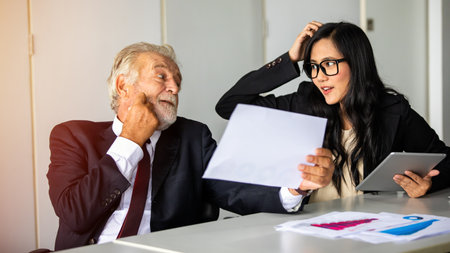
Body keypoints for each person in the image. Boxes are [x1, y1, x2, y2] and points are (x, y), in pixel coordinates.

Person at [47, 42, 335, 251]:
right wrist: (130, 141)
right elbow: (75, 214)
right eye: (162, 76)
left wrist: (295, 188)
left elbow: (234, 191)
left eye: (177, 81)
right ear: (124, 86)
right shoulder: (72, 136)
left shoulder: (192, 137)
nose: (174, 88)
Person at [216, 21, 450, 202]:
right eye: (314, 67)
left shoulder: (391, 110)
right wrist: (290, 59)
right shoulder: (304, 103)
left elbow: (446, 160)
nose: (319, 77)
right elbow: (229, 106)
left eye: (328, 64)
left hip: (371, 227)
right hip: (311, 227)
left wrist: (428, 184)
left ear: (357, 64)